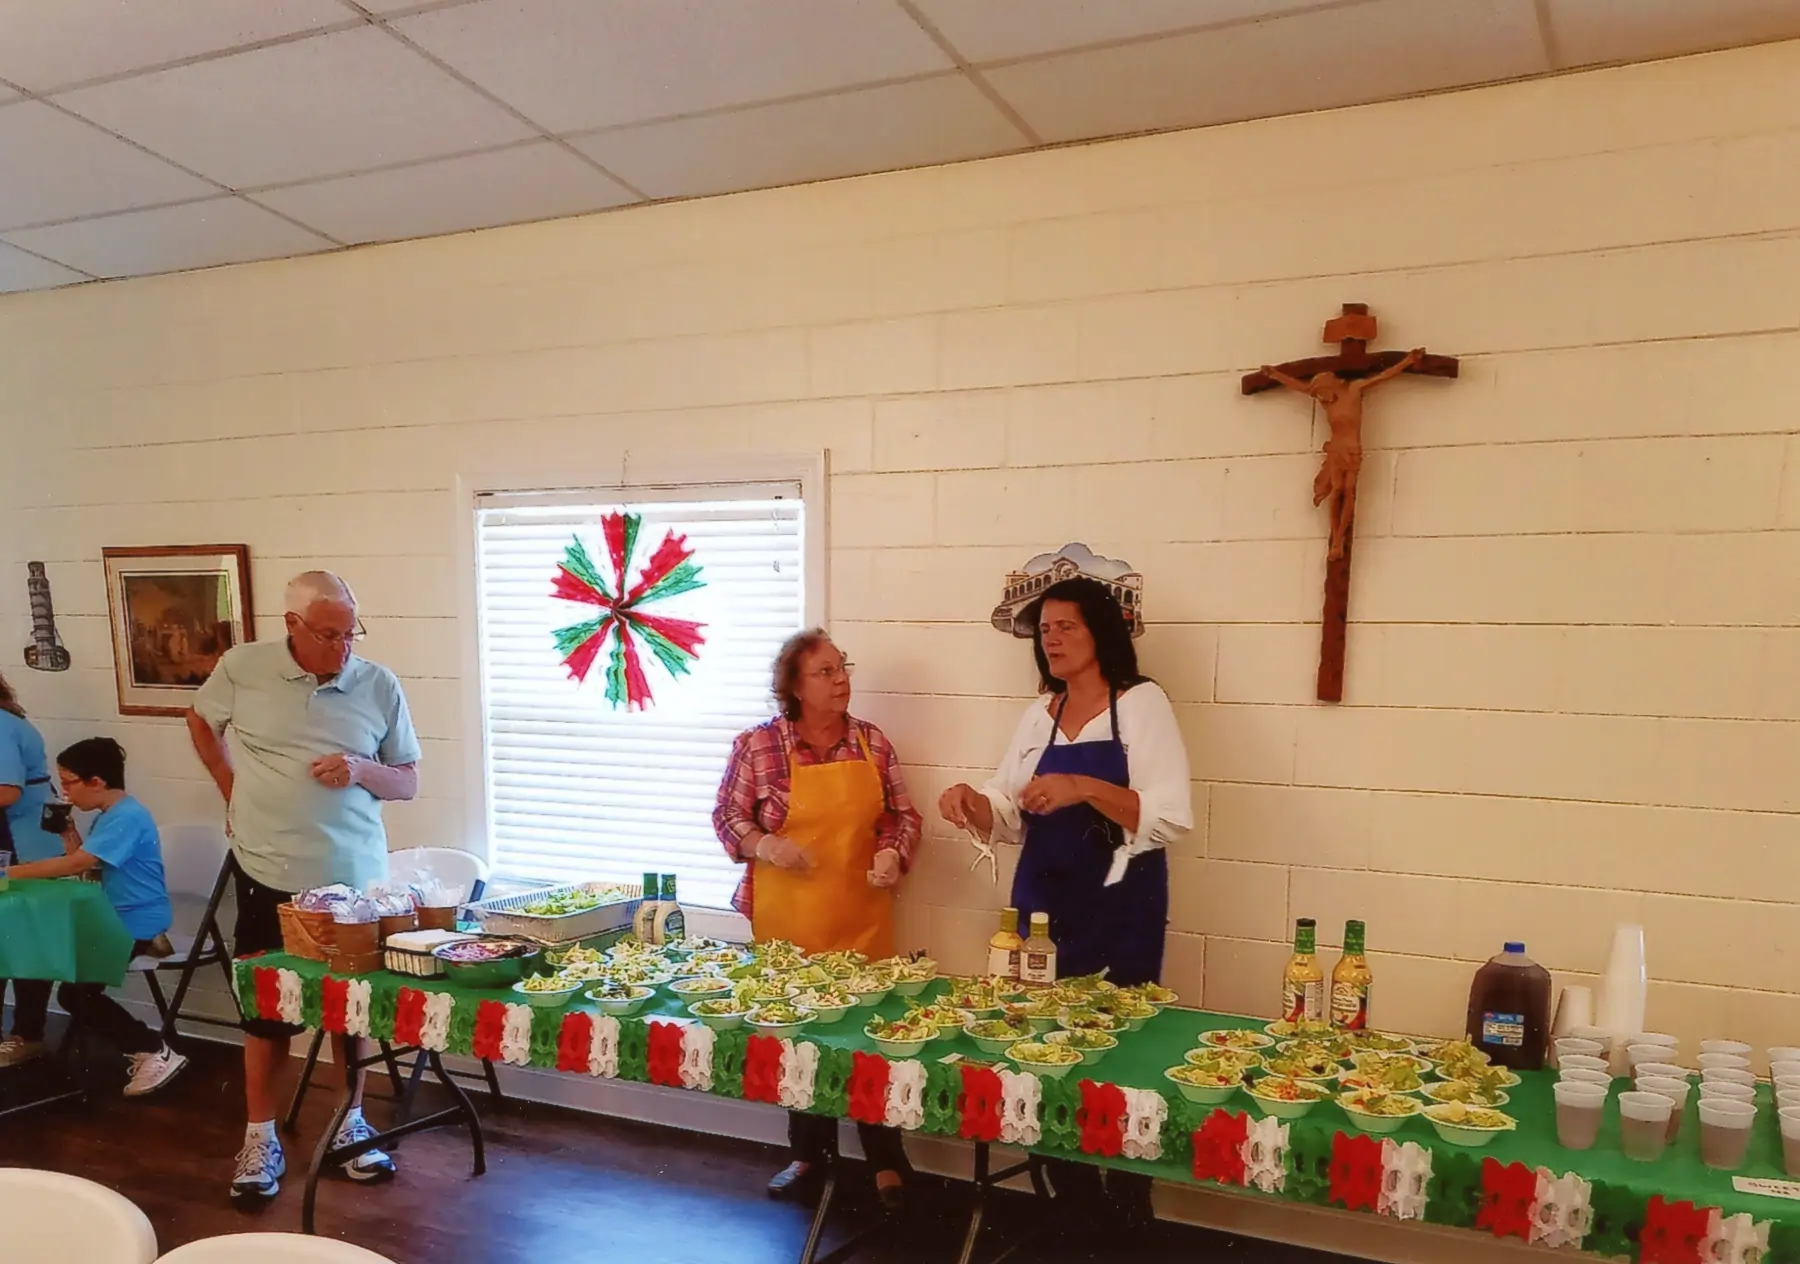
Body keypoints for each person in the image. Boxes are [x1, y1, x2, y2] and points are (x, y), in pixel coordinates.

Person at [938, 577, 1193, 1231]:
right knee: (1043, 1040)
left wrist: (1083, 785)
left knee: (1120, 1048)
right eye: (1044, 630)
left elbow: (1166, 815)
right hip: (1044, 903)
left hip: (1119, 903)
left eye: (1066, 627)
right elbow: (1010, 804)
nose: (1051, 639)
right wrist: (974, 802)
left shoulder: (1140, 703)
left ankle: (1129, 1191)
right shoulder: (1039, 713)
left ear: (1101, 631)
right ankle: (1069, 1185)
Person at [186, 571, 421, 1203]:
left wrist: (363, 768)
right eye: (329, 634)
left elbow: (407, 781)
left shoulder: (378, 684)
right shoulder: (243, 668)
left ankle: (352, 1123)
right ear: (291, 625)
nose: (343, 647)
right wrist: (228, 785)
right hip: (268, 871)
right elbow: (201, 719)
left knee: (348, 1012)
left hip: (351, 882)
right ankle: (259, 1137)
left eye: (351, 633)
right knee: (265, 1014)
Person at [713, 629, 922, 1210]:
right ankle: (808, 1153)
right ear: (795, 687)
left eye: (842, 668)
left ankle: (886, 1161)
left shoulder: (872, 744)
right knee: (798, 1040)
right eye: (825, 672)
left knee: (872, 1041)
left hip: (863, 920)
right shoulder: (759, 747)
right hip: (789, 923)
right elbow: (727, 816)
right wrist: (764, 844)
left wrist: (892, 852)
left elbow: (902, 817)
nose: (841, 681)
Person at [8, 737, 188, 1095]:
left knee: (75, 996)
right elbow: (90, 866)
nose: (66, 793)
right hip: (112, 916)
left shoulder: (128, 817)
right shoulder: (109, 817)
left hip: (134, 921)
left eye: (70, 782)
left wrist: (8, 874)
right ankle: (27, 1037)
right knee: (38, 949)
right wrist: (69, 833)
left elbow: (81, 864)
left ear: (97, 781)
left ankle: (153, 1049)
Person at [0, 670, 57, 1066]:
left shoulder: (2, 725)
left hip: (25, 844)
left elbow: (7, 790)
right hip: (13, 840)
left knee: (24, 943)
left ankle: (27, 1034)